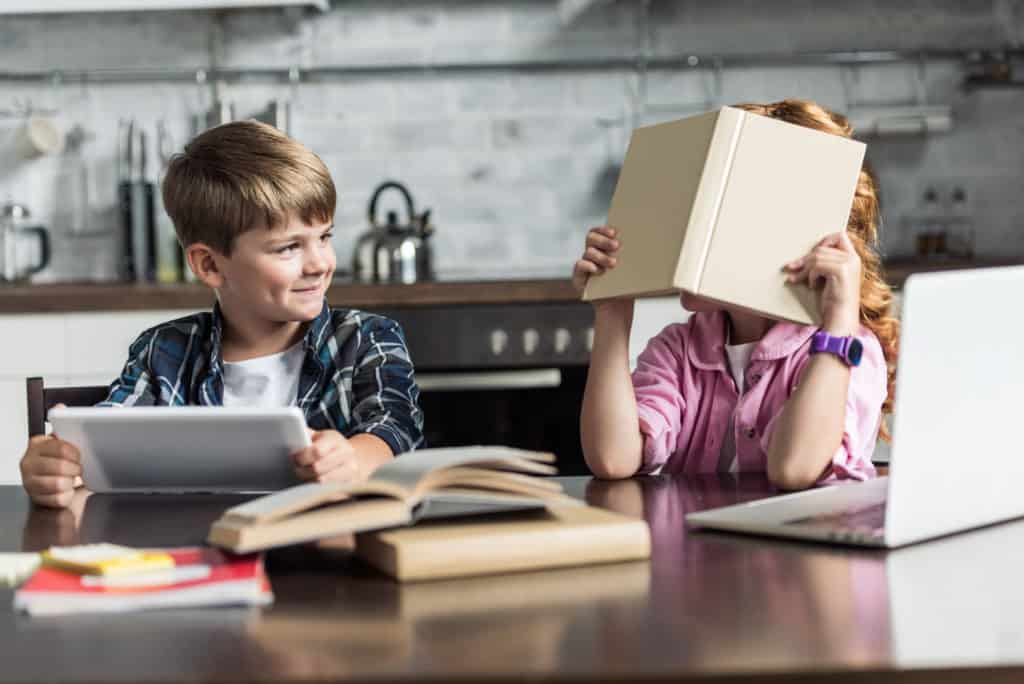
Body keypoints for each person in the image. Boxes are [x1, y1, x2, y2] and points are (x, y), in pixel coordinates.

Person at [20, 120, 424, 507]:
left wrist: (351, 459)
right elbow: (98, 453)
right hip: (193, 556)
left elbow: (394, 428)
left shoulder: (365, 338)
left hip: (326, 557)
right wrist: (57, 466)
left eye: (324, 237)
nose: (319, 263)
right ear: (210, 265)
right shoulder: (163, 352)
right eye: (288, 247)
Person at [573, 99, 898, 490]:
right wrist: (612, 309)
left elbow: (795, 469)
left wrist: (839, 326)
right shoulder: (679, 349)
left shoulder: (849, 351)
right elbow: (612, 458)